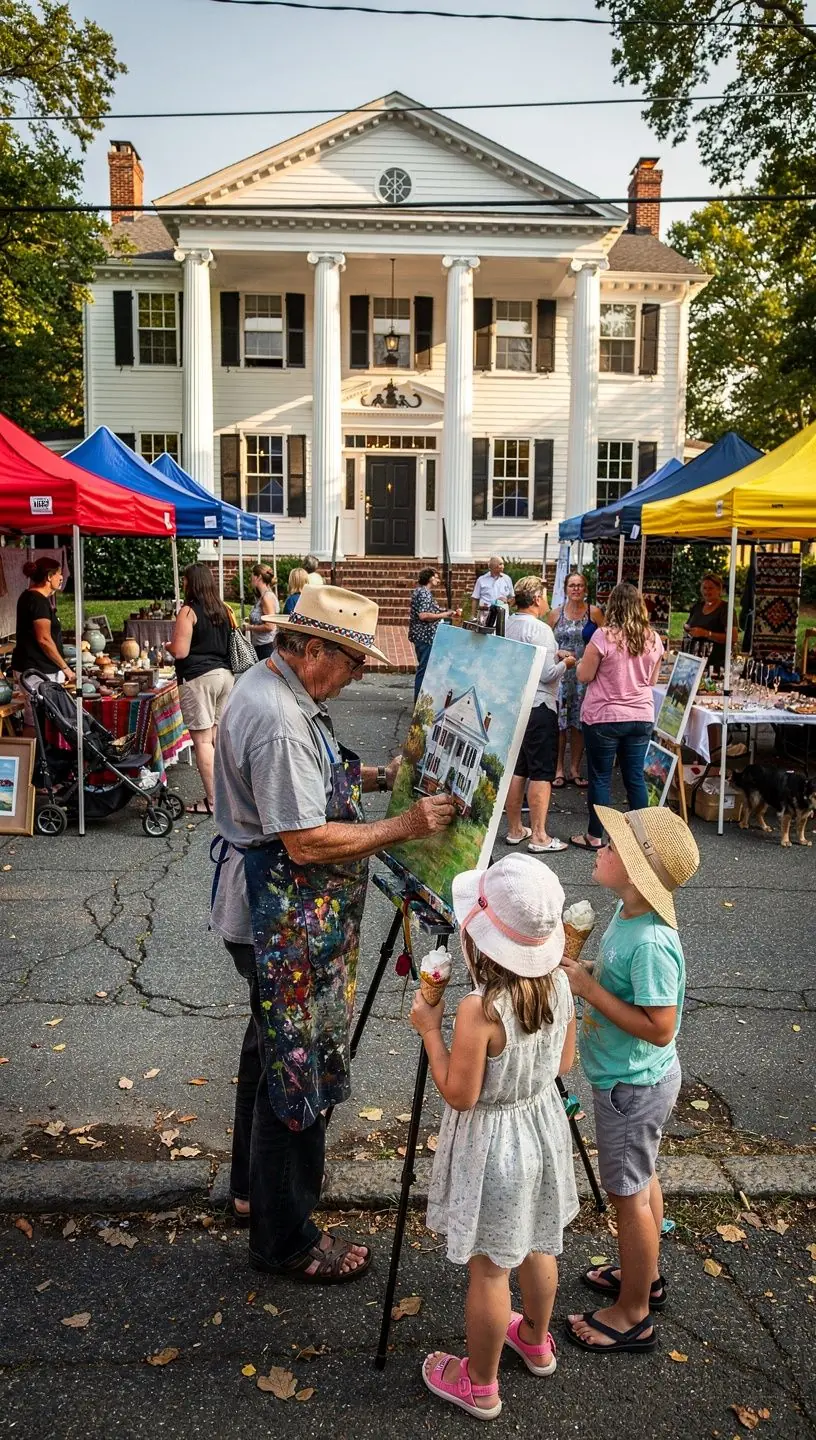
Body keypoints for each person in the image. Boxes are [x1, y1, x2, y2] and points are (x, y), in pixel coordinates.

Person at [210, 584, 456, 1280]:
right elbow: (306, 840)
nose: (357, 676)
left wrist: (381, 777)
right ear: (312, 648)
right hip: (278, 916)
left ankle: (253, 1192)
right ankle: (287, 1239)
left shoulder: (276, 686)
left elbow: (316, 780)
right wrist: (406, 824)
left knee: (270, 1051)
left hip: (269, 915)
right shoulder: (280, 718)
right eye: (351, 661)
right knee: (298, 1068)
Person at [411, 854, 578, 1419]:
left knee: (489, 1268)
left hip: (496, 1150)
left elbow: (460, 1093)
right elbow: (564, 1062)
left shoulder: (479, 1010)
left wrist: (430, 1031)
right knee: (537, 1240)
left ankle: (479, 1383)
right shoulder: (559, 984)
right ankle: (533, 1338)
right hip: (541, 1128)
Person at [562, 806, 699, 1354]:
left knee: (627, 1196)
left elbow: (660, 1026)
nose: (600, 846)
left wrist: (589, 992)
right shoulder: (627, 914)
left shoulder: (650, 942)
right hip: (629, 1082)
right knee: (641, 1185)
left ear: (640, 871)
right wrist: (592, 974)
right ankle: (645, 1275)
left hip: (632, 1088)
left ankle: (633, 1312)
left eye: (613, 846)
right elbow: (622, 985)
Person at [571, 583, 664, 851]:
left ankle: (595, 835)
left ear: (614, 606)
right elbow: (653, 680)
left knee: (600, 777)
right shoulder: (654, 639)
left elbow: (585, 676)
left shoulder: (603, 637)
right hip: (640, 715)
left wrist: (578, 662)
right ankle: (639, 839)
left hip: (604, 715)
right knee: (634, 776)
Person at [504, 576, 575, 854]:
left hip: (515, 704)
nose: (547, 601)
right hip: (539, 705)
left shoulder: (508, 623)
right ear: (536, 599)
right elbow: (546, 675)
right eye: (545, 596)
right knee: (541, 772)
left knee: (518, 768)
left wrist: (553, 656)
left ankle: (514, 829)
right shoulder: (542, 629)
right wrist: (566, 663)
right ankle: (540, 836)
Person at [168, 562, 234, 815]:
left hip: (199, 678)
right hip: (225, 676)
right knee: (218, 739)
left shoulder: (188, 611)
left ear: (191, 582)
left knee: (203, 742)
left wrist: (168, 647)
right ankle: (229, 794)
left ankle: (214, 800)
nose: (183, 583)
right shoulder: (223, 609)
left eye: (185, 579)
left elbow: (181, 651)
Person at [547, 572, 605, 789]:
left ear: (585, 588)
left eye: (580, 585)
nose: (576, 589)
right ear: (565, 589)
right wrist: (558, 651)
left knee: (579, 723)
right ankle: (558, 768)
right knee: (560, 724)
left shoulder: (595, 613)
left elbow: (606, 640)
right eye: (572, 585)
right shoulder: (555, 615)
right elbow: (546, 645)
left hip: (584, 676)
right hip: (561, 675)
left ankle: (574, 769)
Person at [12, 556, 75, 730]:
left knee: (39, 717)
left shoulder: (30, 597)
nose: (61, 578)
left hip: (35, 668)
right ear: (49, 577)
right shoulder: (37, 601)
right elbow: (44, 639)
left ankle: (39, 754)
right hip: (36, 670)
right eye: (58, 574)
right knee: (37, 719)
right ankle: (34, 755)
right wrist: (65, 667)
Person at [408, 567, 460, 700]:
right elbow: (424, 615)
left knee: (425, 668)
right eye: (436, 577)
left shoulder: (421, 592)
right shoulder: (424, 593)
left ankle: (420, 701)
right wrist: (445, 614)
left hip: (421, 635)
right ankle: (419, 703)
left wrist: (448, 612)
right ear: (430, 577)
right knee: (424, 670)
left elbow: (431, 610)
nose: (438, 580)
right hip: (424, 636)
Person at [682, 572, 737, 675]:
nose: (707, 591)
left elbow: (733, 638)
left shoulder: (725, 609)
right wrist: (687, 628)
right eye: (704, 588)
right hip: (694, 663)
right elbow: (691, 625)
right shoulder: (697, 607)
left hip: (715, 664)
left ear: (719, 590)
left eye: (710, 588)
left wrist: (707, 633)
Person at [245, 563, 279, 660]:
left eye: (252, 576)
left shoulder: (266, 598)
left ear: (258, 577)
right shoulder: (263, 596)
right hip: (262, 646)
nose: (251, 579)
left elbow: (270, 626)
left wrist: (249, 627)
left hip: (266, 647)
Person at [471, 556, 514, 621]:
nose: (503, 566)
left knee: (501, 630)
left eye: (502, 564)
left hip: (502, 617)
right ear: (493, 566)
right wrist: (473, 616)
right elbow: (475, 598)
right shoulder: (481, 580)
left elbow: (512, 598)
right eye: (500, 564)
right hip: (485, 616)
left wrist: (507, 601)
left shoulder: (507, 579)